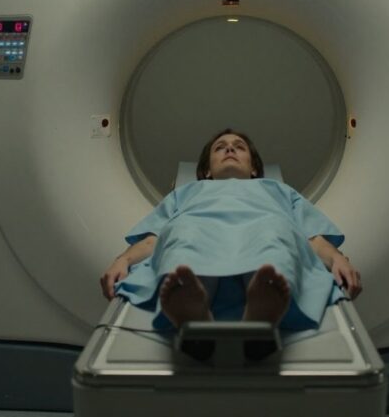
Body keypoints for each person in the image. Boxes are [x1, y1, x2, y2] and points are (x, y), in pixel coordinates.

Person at [100, 129, 362, 333]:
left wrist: (336, 258)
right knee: (183, 234)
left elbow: (312, 238)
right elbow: (154, 240)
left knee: (274, 232)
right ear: (206, 171)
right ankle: (193, 309)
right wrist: (123, 260)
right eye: (220, 147)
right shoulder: (187, 192)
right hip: (198, 227)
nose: (229, 149)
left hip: (263, 226)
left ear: (254, 168)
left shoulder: (278, 190)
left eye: (239, 147)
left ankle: (261, 309)